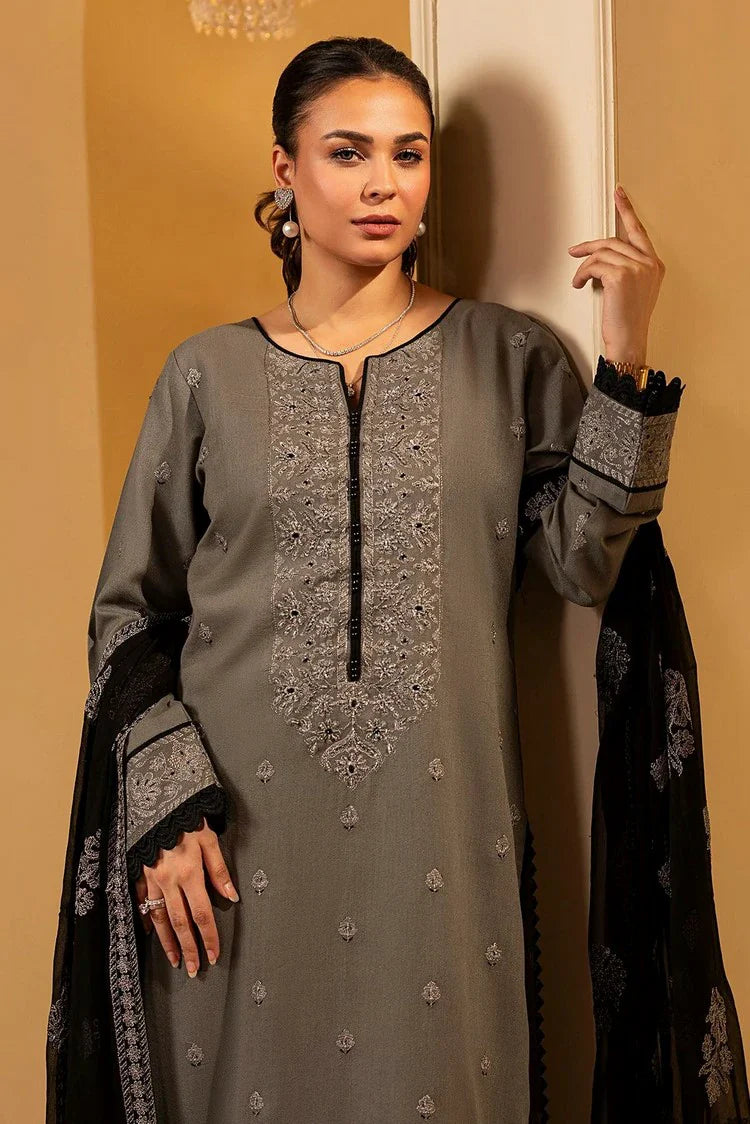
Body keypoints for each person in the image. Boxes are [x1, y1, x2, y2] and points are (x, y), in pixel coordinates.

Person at [46, 34, 749, 1124]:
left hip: (441, 848)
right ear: (285, 170)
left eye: (409, 154)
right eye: (348, 152)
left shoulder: (510, 357)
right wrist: (168, 810)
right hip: (229, 855)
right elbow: (129, 610)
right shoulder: (204, 375)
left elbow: (583, 561)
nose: (384, 183)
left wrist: (628, 348)